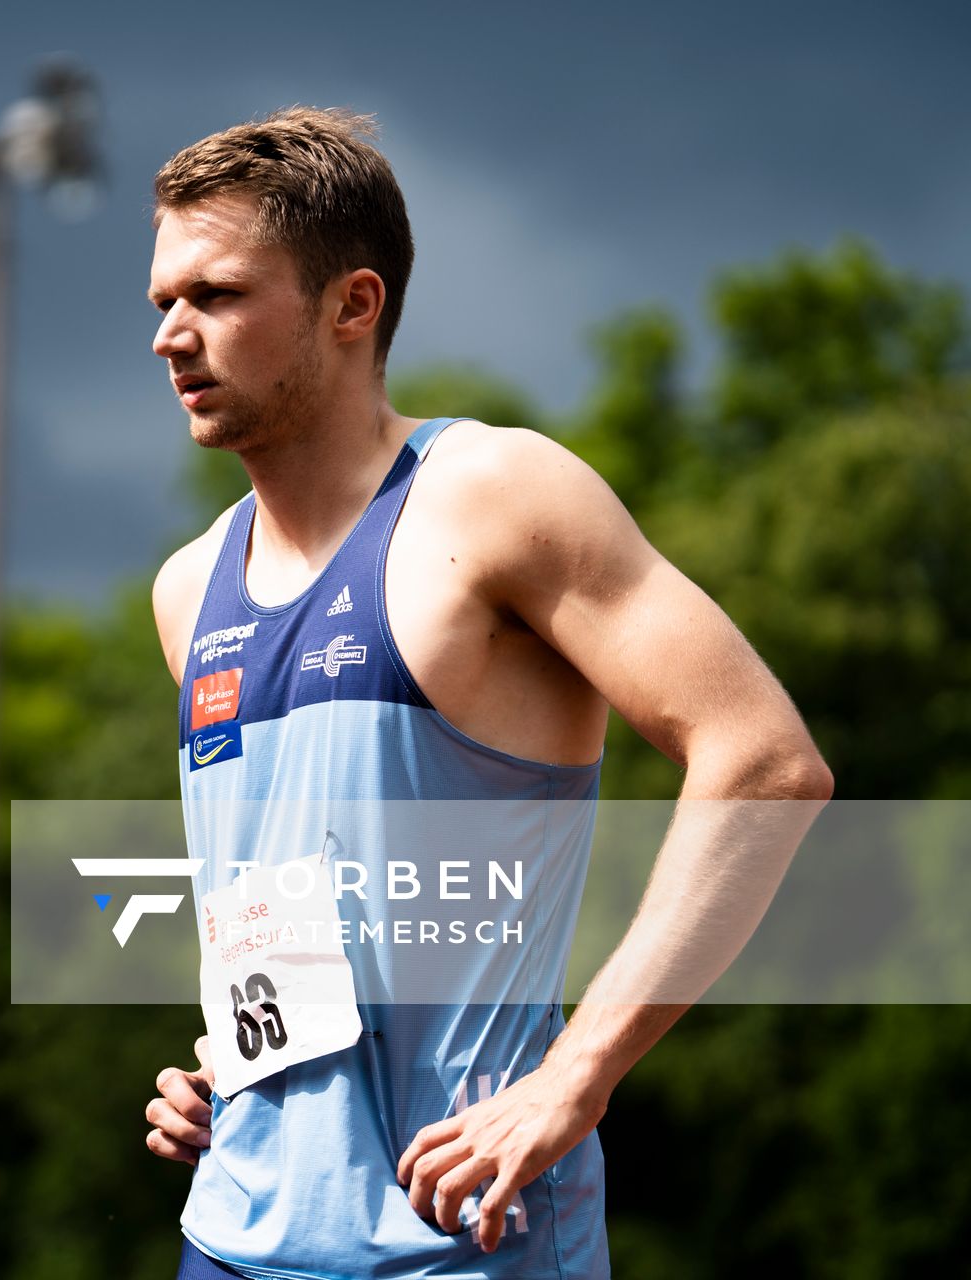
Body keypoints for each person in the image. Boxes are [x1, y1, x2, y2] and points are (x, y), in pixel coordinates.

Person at [139, 107, 832, 1279]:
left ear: (352, 305)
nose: (171, 335)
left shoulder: (495, 497)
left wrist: (574, 1079)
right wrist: (240, 1065)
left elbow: (764, 761)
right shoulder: (187, 585)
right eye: (163, 300)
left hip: (466, 1235)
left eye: (216, 295)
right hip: (237, 1236)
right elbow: (300, 907)